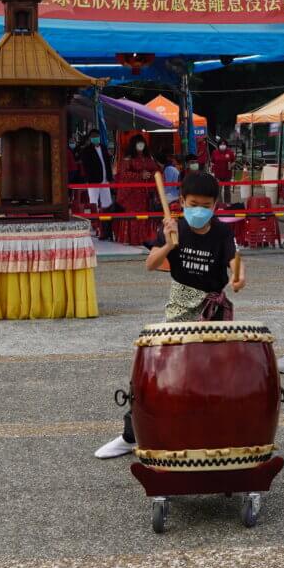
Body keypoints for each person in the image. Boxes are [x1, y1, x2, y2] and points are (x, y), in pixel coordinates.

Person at [96, 171, 247, 458]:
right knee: (160, 369)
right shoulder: (175, 227)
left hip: (213, 311)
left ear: (215, 205)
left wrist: (240, 279)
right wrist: (167, 243)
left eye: (205, 205)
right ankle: (131, 435)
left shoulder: (222, 232)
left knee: (212, 375)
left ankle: (209, 433)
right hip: (178, 308)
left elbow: (235, 261)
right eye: (193, 204)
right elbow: (150, 264)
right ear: (182, 202)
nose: (198, 210)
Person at [115, 136, 157, 246]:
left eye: (142, 143)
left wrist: (150, 175)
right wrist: (140, 176)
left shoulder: (149, 158)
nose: (140, 145)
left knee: (145, 216)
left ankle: (144, 239)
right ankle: (132, 239)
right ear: (133, 145)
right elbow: (124, 175)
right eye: (138, 143)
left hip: (145, 193)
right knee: (133, 216)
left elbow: (156, 171)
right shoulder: (127, 159)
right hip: (132, 194)